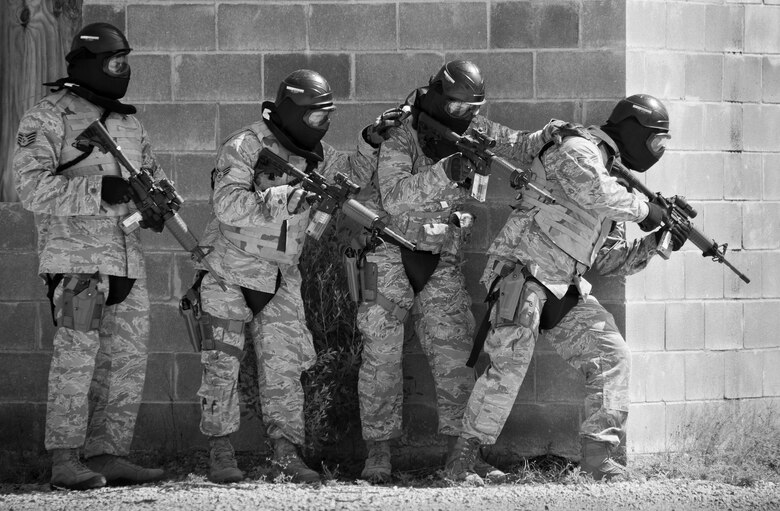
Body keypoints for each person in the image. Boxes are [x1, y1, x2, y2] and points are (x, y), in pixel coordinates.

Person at [446, 94, 689, 483]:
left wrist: (660, 242)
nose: (656, 150)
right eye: (655, 141)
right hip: (523, 273)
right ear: (633, 131)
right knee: (507, 364)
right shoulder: (578, 148)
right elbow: (596, 193)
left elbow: (608, 260)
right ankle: (462, 461)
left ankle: (598, 458)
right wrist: (648, 211)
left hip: (565, 285)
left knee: (612, 355)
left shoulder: (612, 176)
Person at [352, 60, 568, 484]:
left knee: (454, 356)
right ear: (436, 97)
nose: (463, 115)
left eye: (472, 107)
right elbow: (394, 198)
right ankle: (377, 455)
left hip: (441, 257)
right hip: (390, 252)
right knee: (381, 358)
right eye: (454, 106)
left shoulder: (475, 127)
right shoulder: (401, 131)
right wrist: (446, 170)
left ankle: (461, 455)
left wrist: (549, 134)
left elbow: (519, 146)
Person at [192, 69, 373, 484]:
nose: (321, 124)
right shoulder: (245, 146)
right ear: (292, 111)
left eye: (326, 117)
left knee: (284, 366)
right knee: (221, 364)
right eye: (314, 116)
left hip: (279, 276)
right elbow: (227, 204)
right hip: (229, 271)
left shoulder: (318, 154)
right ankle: (221, 453)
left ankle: (285, 456)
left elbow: (353, 177)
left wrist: (371, 141)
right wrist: (287, 196)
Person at [13, 23, 167, 490]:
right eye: (114, 62)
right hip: (78, 263)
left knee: (125, 362)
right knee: (76, 363)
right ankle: (65, 459)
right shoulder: (47, 117)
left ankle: (106, 453)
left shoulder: (127, 122)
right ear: (88, 64)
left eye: (126, 61)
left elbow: (152, 173)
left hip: (126, 260)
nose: (123, 70)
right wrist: (100, 189)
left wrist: (155, 203)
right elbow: (31, 189)